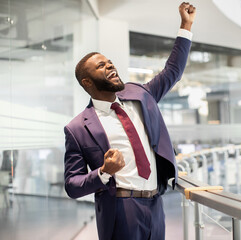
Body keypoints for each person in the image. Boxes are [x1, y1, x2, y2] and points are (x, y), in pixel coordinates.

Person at [63, 2, 196, 240]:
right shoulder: (77, 128)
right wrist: (103, 172)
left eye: (109, 62)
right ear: (87, 82)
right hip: (121, 210)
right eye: (101, 66)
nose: (110, 65)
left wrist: (185, 26)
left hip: (156, 203)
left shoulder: (140, 94)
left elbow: (172, 71)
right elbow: (72, 185)